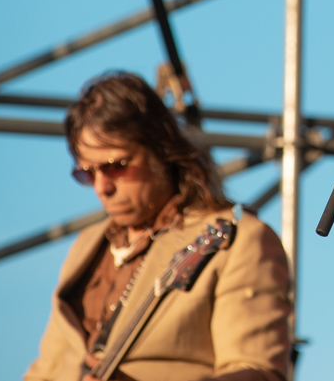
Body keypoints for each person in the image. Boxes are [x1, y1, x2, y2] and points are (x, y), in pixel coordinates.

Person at [25, 72, 292, 381]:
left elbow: (257, 373)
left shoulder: (239, 240)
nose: (102, 186)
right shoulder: (86, 247)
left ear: (161, 151)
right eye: (86, 173)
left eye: (116, 166)